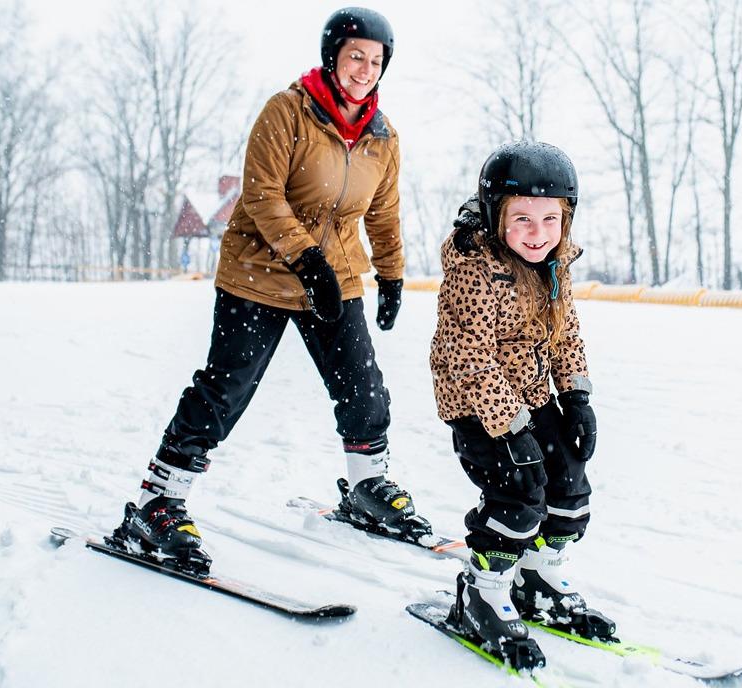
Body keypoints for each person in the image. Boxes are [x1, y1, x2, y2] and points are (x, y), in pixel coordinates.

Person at [110, 7, 431, 574]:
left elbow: (384, 213)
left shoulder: (384, 137)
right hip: (259, 274)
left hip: (336, 280)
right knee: (225, 389)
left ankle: (367, 488)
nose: (365, 70)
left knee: (363, 388)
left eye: (376, 61)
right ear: (333, 54)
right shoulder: (287, 112)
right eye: (356, 55)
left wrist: (391, 274)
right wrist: (305, 257)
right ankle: (157, 501)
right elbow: (261, 195)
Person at [429, 142, 598, 667]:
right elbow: (470, 356)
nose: (538, 233)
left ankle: (537, 579)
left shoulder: (553, 264)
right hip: (477, 404)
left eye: (551, 219)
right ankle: (482, 590)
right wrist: (511, 428)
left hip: (531, 396)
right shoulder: (474, 268)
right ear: (495, 215)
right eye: (522, 218)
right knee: (520, 495)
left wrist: (575, 395)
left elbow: (565, 329)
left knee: (568, 482)